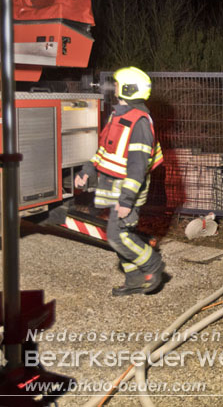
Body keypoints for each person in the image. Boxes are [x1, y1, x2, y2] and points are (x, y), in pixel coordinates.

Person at [75, 67, 166, 296]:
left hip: (128, 191)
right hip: (114, 187)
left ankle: (152, 264)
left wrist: (126, 201)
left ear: (127, 88)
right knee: (118, 235)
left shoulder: (140, 122)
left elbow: (137, 167)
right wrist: (88, 169)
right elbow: (105, 148)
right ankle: (134, 279)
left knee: (118, 236)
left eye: (116, 84)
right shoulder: (119, 114)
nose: (113, 88)